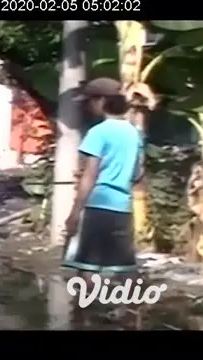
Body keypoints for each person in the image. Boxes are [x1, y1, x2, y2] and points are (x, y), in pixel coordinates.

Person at [62, 77, 148, 278]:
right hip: (123, 208)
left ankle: (88, 308)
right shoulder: (134, 133)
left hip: (98, 207)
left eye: (90, 102)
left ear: (101, 101)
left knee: (89, 270)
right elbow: (138, 173)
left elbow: (89, 176)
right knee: (122, 270)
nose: (89, 107)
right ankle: (127, 306)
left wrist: (75, 213)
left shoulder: (98, 132)